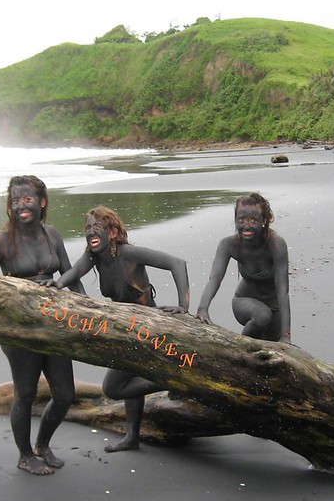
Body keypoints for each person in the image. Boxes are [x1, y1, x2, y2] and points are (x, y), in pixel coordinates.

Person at [45, 206, 190, 452]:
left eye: (97, 227)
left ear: (112, 232)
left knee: (113, 388)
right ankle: (132, 437)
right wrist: (57, 284)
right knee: (126, 379)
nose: (91, 232)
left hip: (148, 330)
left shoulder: (130, 254)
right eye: (88, 228)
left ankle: (172, 381)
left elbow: (177, 263)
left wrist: (183, 307)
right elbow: (75, 272)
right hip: (125, 330)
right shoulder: (94, 257)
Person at [0, 175, 85, 475]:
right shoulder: (1, 241)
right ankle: (25, 456)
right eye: (15, 201)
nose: (20, 206)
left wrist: (92, 312)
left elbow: (71, 275)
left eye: (26, 199)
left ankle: (43, 445)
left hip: (55, 324)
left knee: (65, 395)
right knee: (25, 394)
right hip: (20, 327)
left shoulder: (52, 235)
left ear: (42, 201)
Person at [196, 192, 291, 344]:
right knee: (262, 316)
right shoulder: (229, 244)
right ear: (235, 220)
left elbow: (283, 290)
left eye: (253, 220)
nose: (247, 225)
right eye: (242, 220)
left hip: (275, 306)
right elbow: (215, 278)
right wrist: (203, 308)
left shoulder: (276, 244)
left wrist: (286, 335)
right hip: (244, 301)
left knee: (271, 350)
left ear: (264, 221)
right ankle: (239, 348)